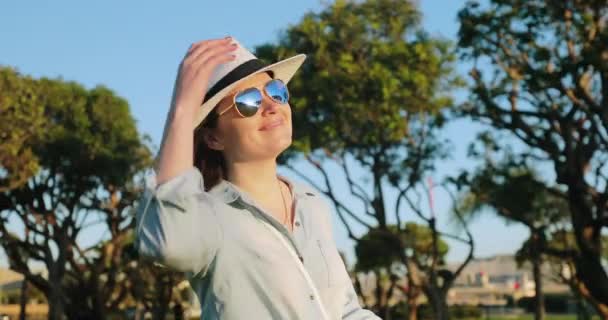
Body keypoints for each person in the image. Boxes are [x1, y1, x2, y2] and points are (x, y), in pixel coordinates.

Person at [135, 36, 381, 319]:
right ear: (213, 137)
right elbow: (168, 243)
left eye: (276, 91)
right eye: (248, 102)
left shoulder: (311, 204)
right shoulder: (209, 216)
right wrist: (182, 110)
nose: (271, 105)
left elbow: (345, 310)